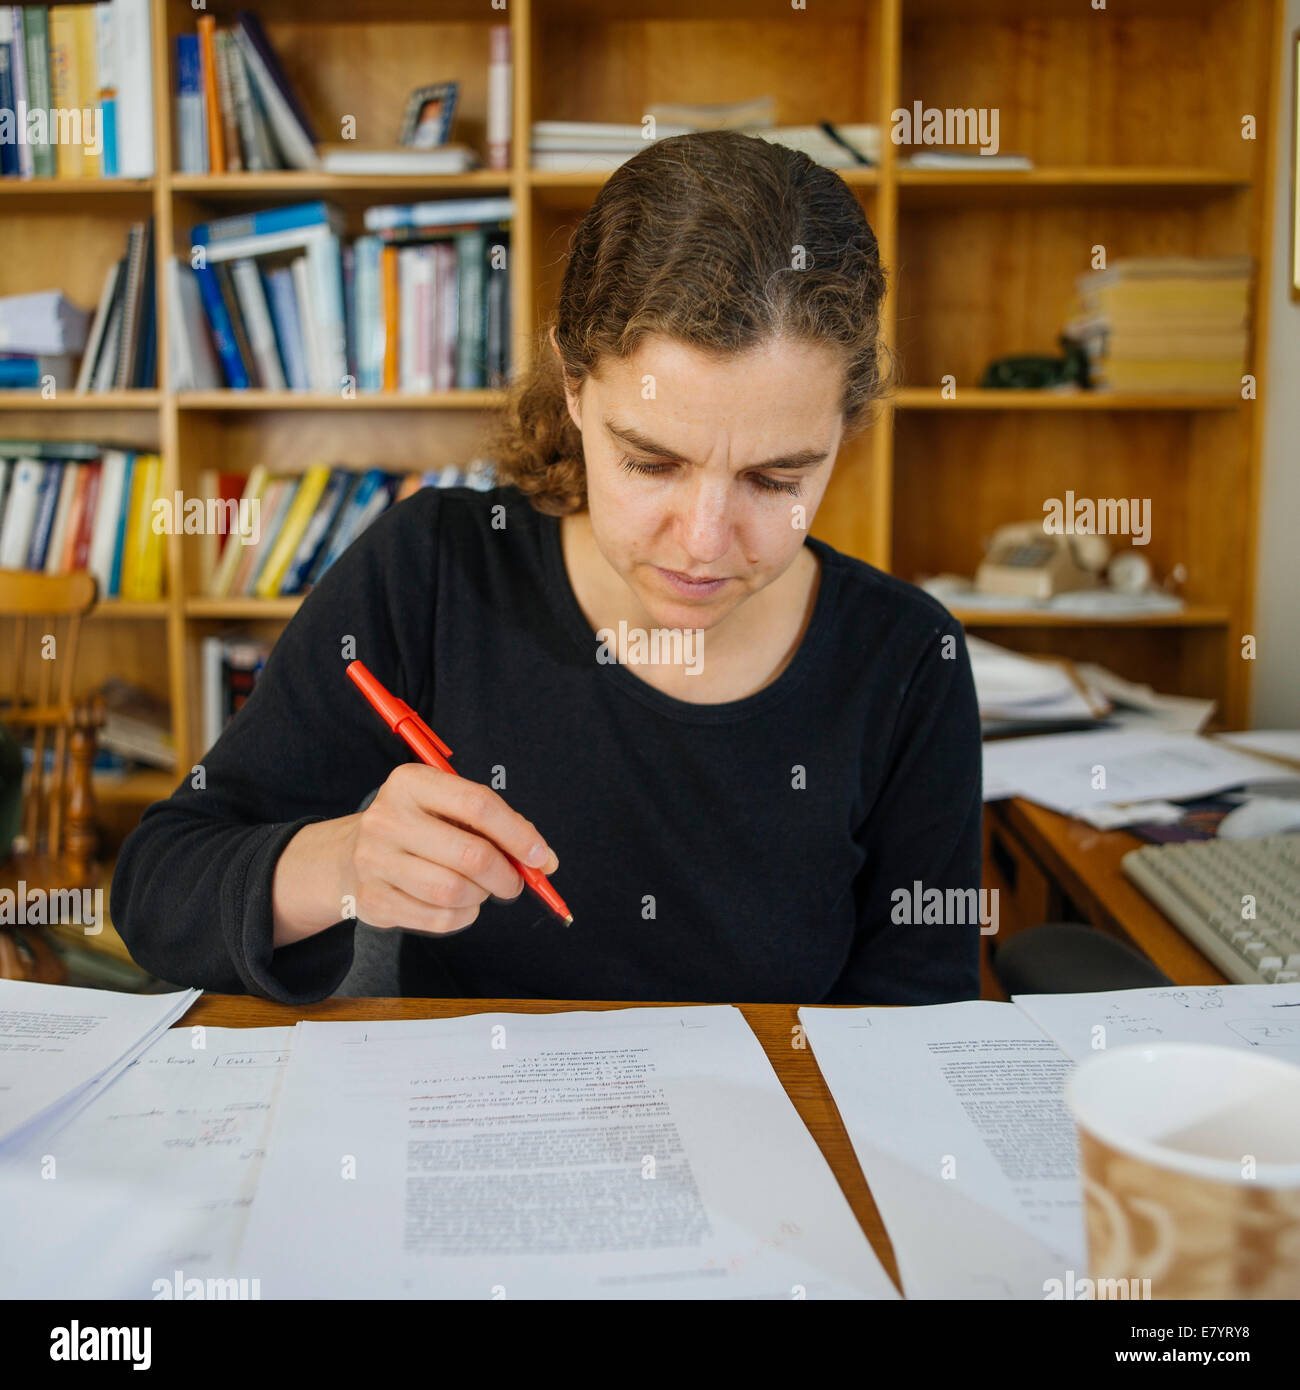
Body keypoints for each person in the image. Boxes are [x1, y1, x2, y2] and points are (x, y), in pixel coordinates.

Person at [111, 131, 983, 1006]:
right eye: (651, 463)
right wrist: (335, 864)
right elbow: (158, 889)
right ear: (573, 384)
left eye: (776, 478)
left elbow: (917, 1028)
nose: (705, 540)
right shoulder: (435, 570)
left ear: (847, 428)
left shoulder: (907, 660)